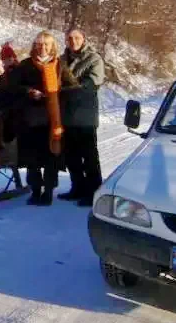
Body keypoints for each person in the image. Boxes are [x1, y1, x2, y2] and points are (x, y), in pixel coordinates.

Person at [10, 31, 78, 206]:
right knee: (32, 158)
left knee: (51, 157)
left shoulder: (59, 65)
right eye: (39, 44)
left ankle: (48, 192)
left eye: (46, 44)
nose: (43, 47)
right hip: (31, 119)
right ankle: (35, 191)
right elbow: (13, 86)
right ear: (34, 46)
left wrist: (56, 94)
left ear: (52, 46)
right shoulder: (25, 65)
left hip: (52, 120)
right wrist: (29, 91)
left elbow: (74, 88)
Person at [61, 28, 106, 206]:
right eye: (70, 38)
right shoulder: (62, 60)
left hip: (85, 115)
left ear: (84, 39)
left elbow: (92, 83)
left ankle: (93, 191)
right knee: (71, 155)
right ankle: (77, 187)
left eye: (77, 38)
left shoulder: (94, 59)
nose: (73, 41)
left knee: (89, 156)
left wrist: (64, 90)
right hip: (66, 115)